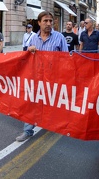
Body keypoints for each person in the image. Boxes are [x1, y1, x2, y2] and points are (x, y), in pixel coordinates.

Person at [16, 11, 68, 142]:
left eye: (51, 21)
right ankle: (27, 130)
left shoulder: (59, 37)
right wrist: (29, 50)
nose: (49, 23)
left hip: (53, 79)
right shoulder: (33, 38)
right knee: (32, 103)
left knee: (52, 103)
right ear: (39, 23)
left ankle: (52, 123)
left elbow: (67, 59)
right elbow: (27, 57)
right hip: (37, 77)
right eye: (45, 21)